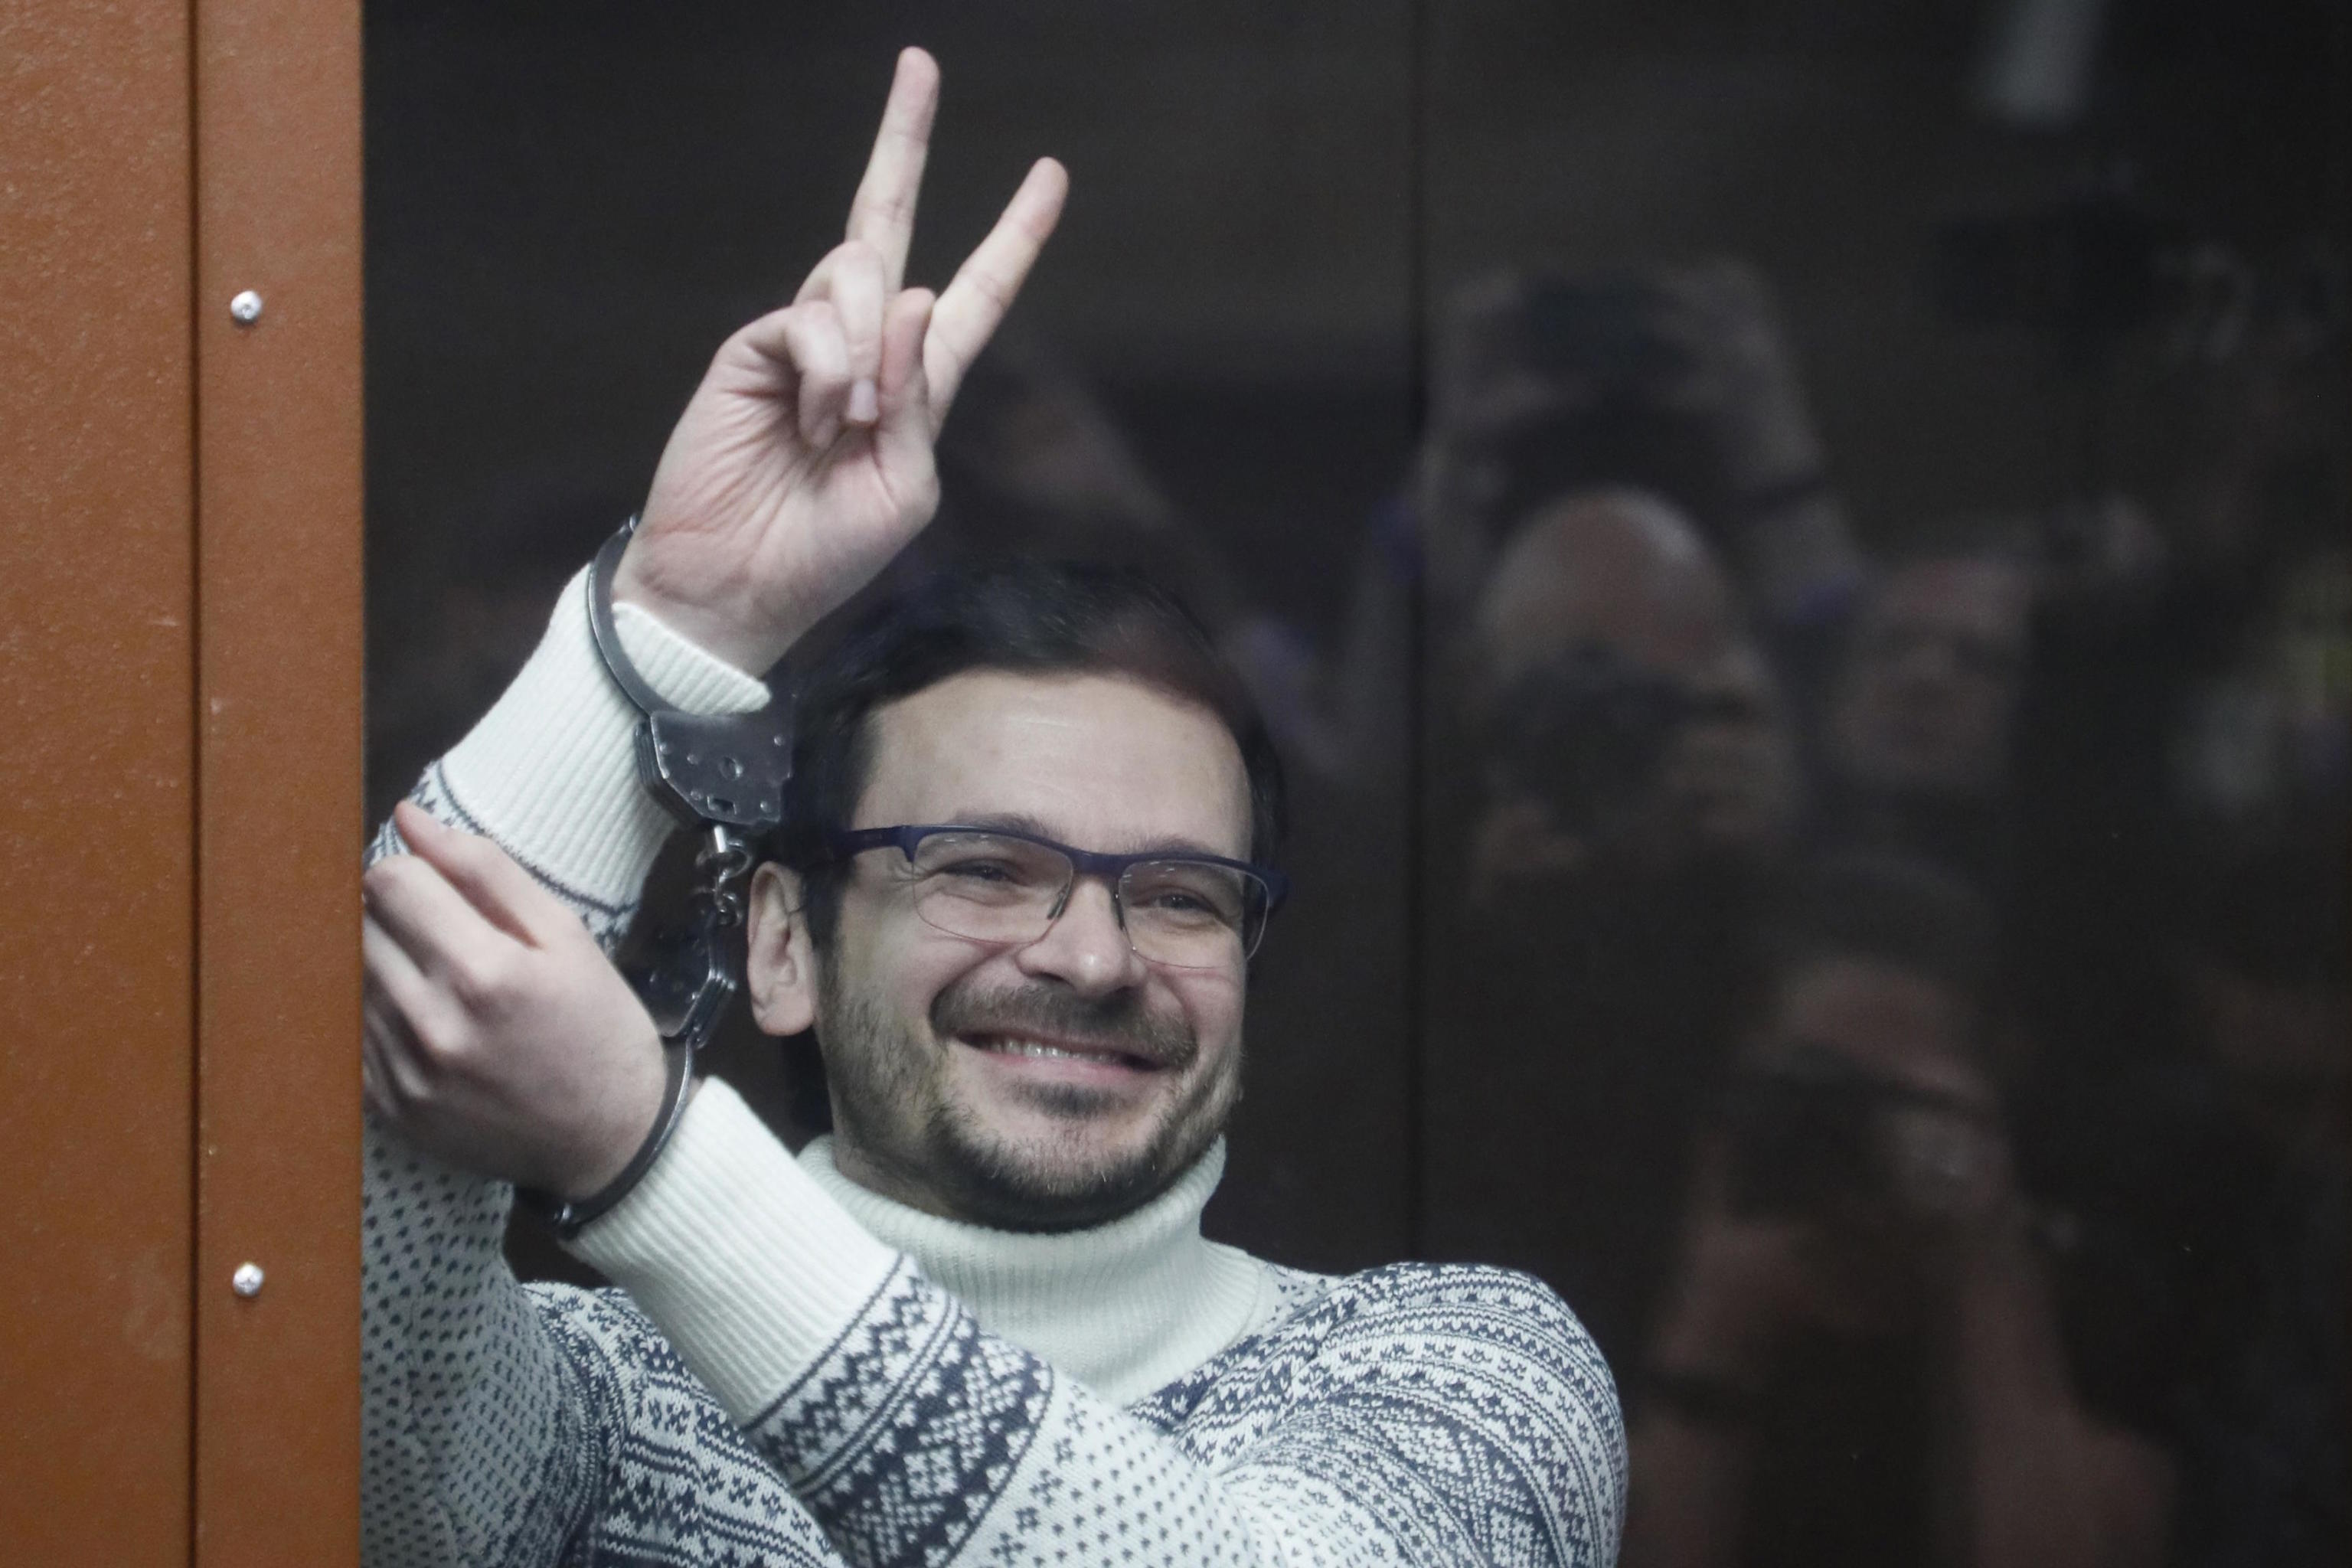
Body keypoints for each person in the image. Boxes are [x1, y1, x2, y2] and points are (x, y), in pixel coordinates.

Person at [358, 48, 1624, 1568]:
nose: (1092, 957)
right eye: (982, 865)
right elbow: (337, 1207)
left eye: (1178, 893)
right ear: (781, 945)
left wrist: (646, 1155)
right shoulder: (601, 1416)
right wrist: (679, 618)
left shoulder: (1464, 1378)